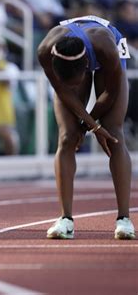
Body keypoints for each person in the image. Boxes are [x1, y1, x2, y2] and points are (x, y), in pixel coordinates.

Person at [37, 15, 135, 240]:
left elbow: (110, 93)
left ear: (86, 69)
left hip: (107, 49)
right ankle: (65, 219)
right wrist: (88, 126)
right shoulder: (45, 50)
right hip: (72, 56)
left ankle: (124, 219)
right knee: (66, 138)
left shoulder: (106, 48)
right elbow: (63, 91)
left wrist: (93, 126)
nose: (74, 87)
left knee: (113, 134)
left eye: (76, 81)